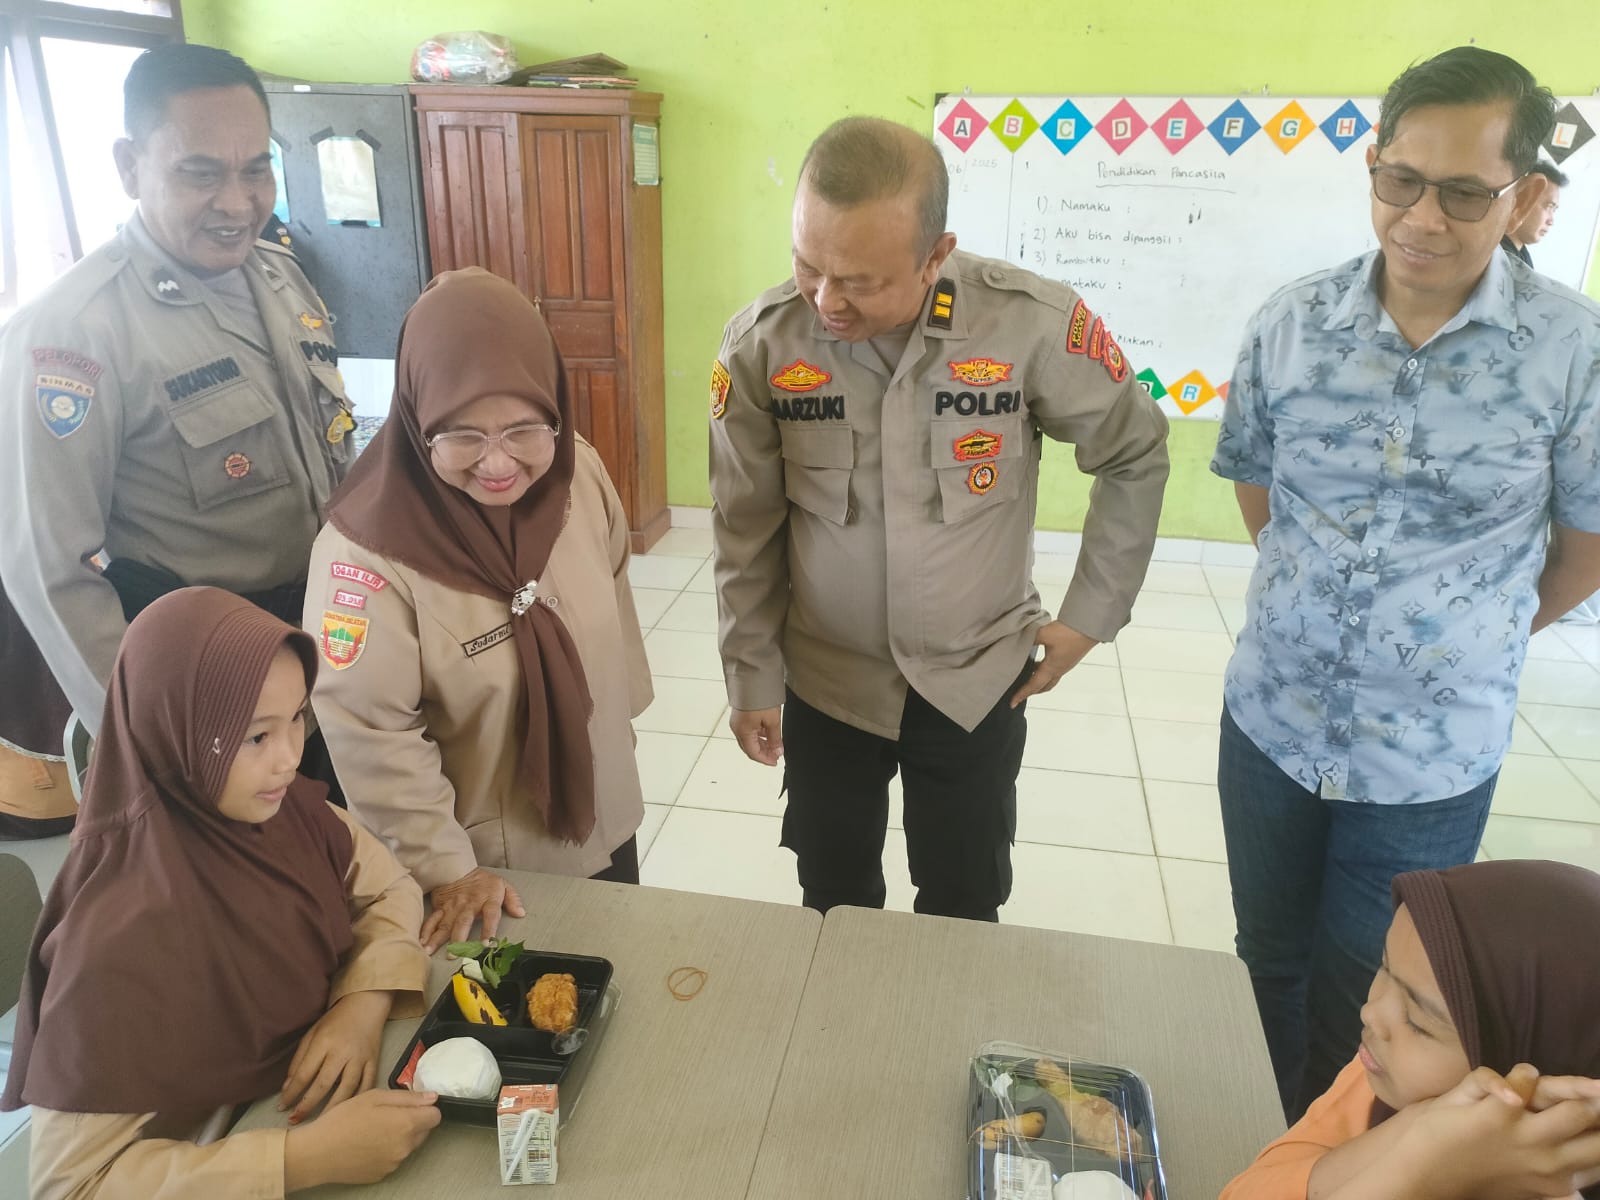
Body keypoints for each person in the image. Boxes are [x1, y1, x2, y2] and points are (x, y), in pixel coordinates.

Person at [1210, 45, 1600, 1121]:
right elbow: (1258, 492)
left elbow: (1587, 538)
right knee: (1263, 958)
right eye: (1401, 181)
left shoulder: (1572, 351)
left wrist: (1471, 631)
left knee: (1369, 1001)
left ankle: (1343, 1164)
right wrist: (1323, 604)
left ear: (1521, 194)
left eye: (1465, 193)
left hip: (1429, 760)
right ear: (1373, 165)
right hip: (1271, 723)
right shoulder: (1292, 324)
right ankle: (1269, 1151)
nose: (1423, 219)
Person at [710, 116, 1169, 922]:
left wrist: (1091, 617)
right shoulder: (764, 346)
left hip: (974, 680)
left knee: (964, 897)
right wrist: (750, 671)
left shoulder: (1029, 325)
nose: (826, 300)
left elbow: (1133, 452)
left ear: (934, 255)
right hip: (829, 683)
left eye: (859, 280)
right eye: (808, 265)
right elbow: (743, 524)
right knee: (834, 894)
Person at [0, 588, 440, 1198]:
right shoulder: (115, 945)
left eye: (297, 720)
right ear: (174, 732)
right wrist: (303, 1159)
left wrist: (361, 1003)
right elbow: (69, 1187)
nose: (291, 759)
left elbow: (387, 886)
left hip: (305, 1103)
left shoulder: (281, 814)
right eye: (256, 737)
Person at [0, 44, 355, 745]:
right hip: (205, 678)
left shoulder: (283, 279)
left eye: (258, 170)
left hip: (325, 642)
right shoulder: (73, 334)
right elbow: (51, 573)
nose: (238, 202)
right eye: (200, 174)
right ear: (130, 167)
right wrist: (151, 742)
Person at [304, 268, 651, 953]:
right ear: (416, 419)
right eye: (461, 434)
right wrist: (449, 869)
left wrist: (616, 746)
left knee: (619, 987)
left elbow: (613, 604)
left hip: (605, 820)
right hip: (484, 877)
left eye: (524, 429)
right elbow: (370, 733)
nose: (498, 464)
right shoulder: (365, 555)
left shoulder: (576, 475)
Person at [1221, 860, 1600, 1199]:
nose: (1371, 1013)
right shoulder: (1382, 1078)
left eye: (1419, 1024)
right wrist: (1419, 1137)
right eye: (1384, 967)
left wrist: (1421, 1174)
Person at [1501, 161, 1567, 266]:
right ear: (1523, 200)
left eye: (1554, 210)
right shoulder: (1499, 258)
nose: (1551, 221)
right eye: (1548, 206)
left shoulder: (1521, 255)